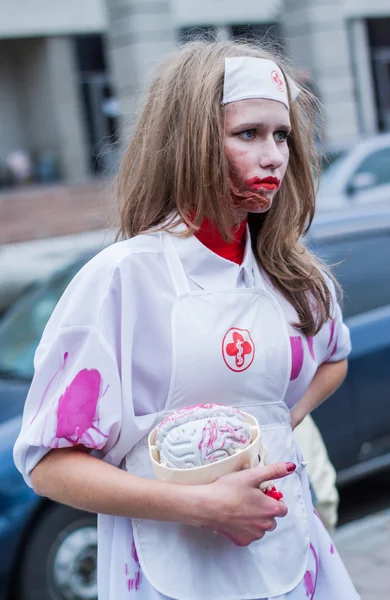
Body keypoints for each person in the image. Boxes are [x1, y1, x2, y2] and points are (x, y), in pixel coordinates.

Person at [14, 40, 360, 600]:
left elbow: (335, 357)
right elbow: (49, 462)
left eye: (282, 135)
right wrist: (198, 502)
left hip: (294, 560)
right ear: (189, 142)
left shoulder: (294, 276)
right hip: (165, 575)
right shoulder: (123, 279)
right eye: (248, 134)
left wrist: (274, 422)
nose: (274, 155)